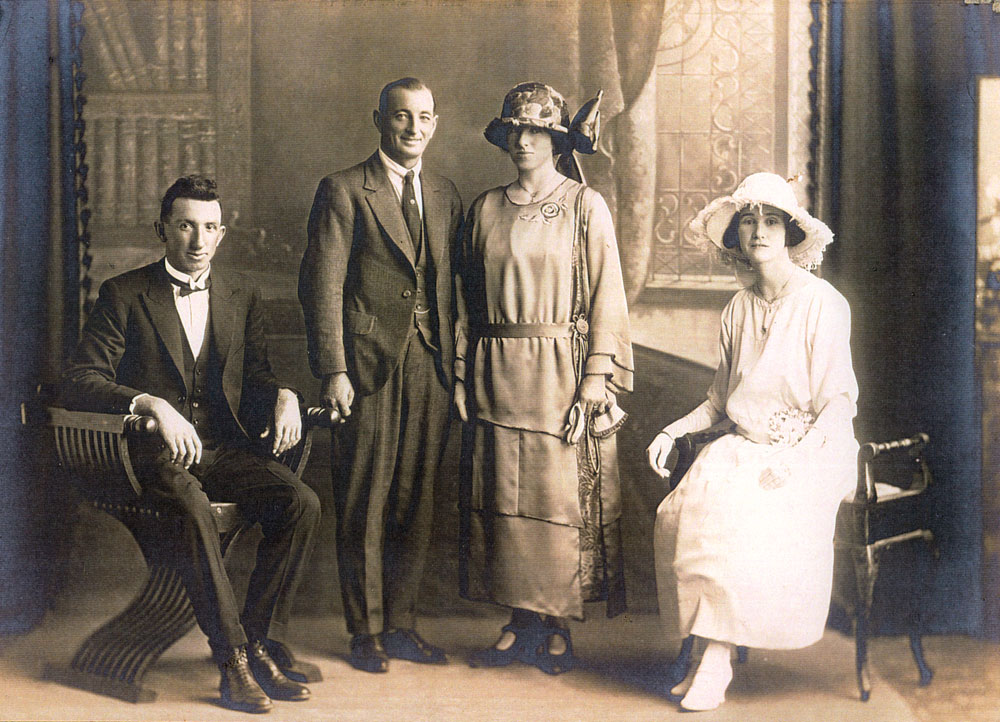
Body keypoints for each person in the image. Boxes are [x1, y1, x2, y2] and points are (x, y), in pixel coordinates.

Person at [61, 175, 320, 714]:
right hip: (147, 459)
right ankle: (231, 663)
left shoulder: (240, 294)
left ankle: (255, 640)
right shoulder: (125, 293)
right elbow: (82, 378)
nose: (197, 240)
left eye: (208, 227)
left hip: (219, 450)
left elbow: (259, 376)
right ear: (163, 230)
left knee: (299, 502)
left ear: (222, 234)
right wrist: (149, 403)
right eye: (184, 225)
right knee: (193, 507)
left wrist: (286, 394)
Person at [646, 172, 859, 712]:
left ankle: (714, 662)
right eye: (747, 221)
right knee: (686, 511)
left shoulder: (822, 303)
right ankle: (705, 651)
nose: (758, 231)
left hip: (815, 447)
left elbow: (838, 402)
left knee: (745, 516)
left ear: (790, 233)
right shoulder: (737, 309)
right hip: (747, 443)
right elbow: (720, 401)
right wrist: (672, 431)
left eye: (770, 221)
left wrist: (798, 459)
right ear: (735, 236)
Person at [454, 82, 633, 675]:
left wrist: (595, 376)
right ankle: (518, 619)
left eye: (537, 131)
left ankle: (556, 624)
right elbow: (463, 299)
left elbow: (608, 292)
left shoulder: (585, 204)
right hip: (496, 366)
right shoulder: (484, 207)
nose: (523, 140)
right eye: (516, 130)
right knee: (506, 495)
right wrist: (461, 370)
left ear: (557, 140)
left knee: (554, 499)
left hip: (560, 369)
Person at [298, 78, 463, 673]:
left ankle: (401, 625)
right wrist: (334, 370)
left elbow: (453, 286)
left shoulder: (444, 193)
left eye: (423, 117)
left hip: (432, 363)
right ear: (379, 120)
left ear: (435, 124)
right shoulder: (344, 189)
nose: (412, 128)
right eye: (400, 117)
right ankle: (364, 630)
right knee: (365, 496)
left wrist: (458, 366)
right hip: (366, 366)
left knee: (416, 499)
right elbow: (321, 287)